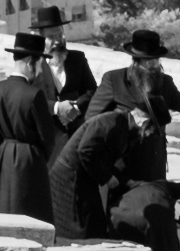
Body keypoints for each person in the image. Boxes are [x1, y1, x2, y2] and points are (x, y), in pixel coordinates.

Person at [84, 29, 180, 186]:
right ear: (136, 61)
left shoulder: (164, 81)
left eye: (156, 60)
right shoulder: (114, 80)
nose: (154, 66)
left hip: (155, 161)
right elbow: (92, 118)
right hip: (124, 164)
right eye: (149, 61)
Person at [0, 30, 65, 224]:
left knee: (7, 210)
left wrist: (7, 146)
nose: (39, 70)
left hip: (6, 153)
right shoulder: (33, 94)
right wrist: (37, 153)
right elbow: (47, 138)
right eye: (39, 64)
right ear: (30, 63)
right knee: (32, 213)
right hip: (31, 158)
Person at [49, 101, 153, 242]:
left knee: (95, 222)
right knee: (79, 225)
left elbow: (105, 160)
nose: (149, 135)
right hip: (70, 177)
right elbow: (86, 151)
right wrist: (107, 178)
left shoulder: (123, 124)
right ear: (144, 122)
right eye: (152, 130)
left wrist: (127, 182)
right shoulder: (111, 122)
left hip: (83, 176)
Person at [31, 4, 97, 138]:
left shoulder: (77, 59)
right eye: (51, 37)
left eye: (60, 35)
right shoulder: (33, 64)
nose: (57, 42)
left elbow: (92, 91)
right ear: (41, 38)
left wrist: (75, 108)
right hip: (48, 138)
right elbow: (29, 99)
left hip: (77, 134)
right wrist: (57, 108)